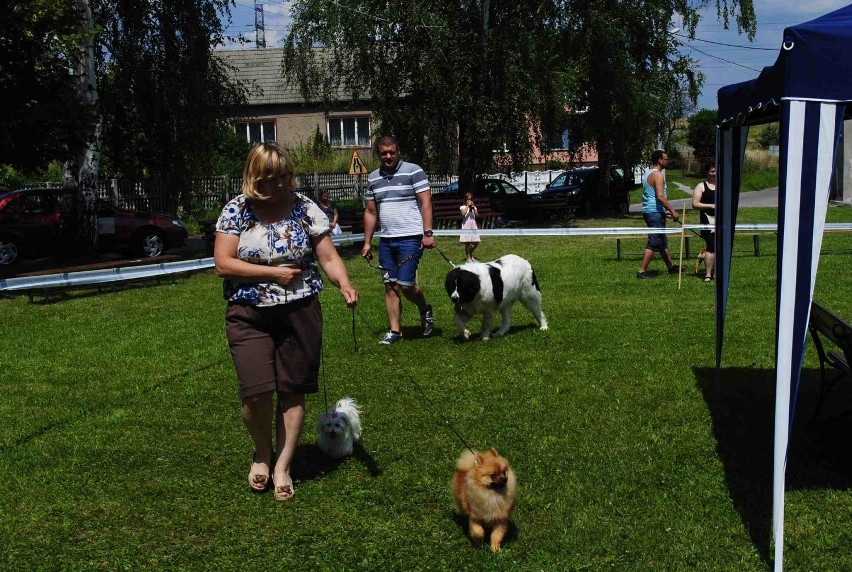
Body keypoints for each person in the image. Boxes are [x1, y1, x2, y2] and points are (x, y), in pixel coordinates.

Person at [214, 142, 359, 501]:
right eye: (271, 178)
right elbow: (223, 263)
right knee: (256, 392)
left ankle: (283, 465)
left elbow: (327, 255)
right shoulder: (237, 210)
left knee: (293, 390)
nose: (280, 184)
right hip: (248, 312)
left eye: (285, 176)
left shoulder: (305, 208)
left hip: (300, 309)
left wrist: (344, 283)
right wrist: (270, 273)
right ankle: (261, 452)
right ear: (254, 177)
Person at [361, 135, 435, 344]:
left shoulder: (414, 170)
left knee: (406, 285)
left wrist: (427, 233)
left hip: (411, 238)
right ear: (378, 154)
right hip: (386, 240)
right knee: (390, 286)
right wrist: (367, 242)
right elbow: (370, 211)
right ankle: (395, 331)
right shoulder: (373, 177)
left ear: (398, 150)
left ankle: (424, 308)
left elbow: (426, 203)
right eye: (384, 153)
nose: (388, 156)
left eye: (392, 152)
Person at [637, 150, 684, 279]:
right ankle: (642, 271)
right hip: (654, 212)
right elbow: (660, 196)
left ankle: (671, 267)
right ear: (659, 160)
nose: (667, 161)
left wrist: (664, 211)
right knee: (654, 242)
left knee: (661, 241)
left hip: (653, 211)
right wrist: (672, 210)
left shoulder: (648, 173)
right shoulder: (658, 175)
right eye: (666, 159)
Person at [692, 162, 717, 282]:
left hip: (722, 220)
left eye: (716, 171)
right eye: (712, 171)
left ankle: (717, 272)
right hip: (707, 219)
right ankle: (708, 274)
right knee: (711, 246)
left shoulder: (722, 185)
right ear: (707, 172)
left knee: (720, 246)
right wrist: (710, 206)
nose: (714, 174)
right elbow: (695, 203)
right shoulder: (701, 186)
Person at [459, 192, 480, 263]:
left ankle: (470, 253)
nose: (469, 201)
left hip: (473, 226)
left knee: (476, 241)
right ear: (465, 200)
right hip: (466, 226)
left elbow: (477, 215)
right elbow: (463, 214)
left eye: (471, 199)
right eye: (468, 199)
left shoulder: (474, 207)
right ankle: (468, 257)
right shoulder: (463, 207)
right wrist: (467, 206)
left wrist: (474, 209)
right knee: (468, 242)